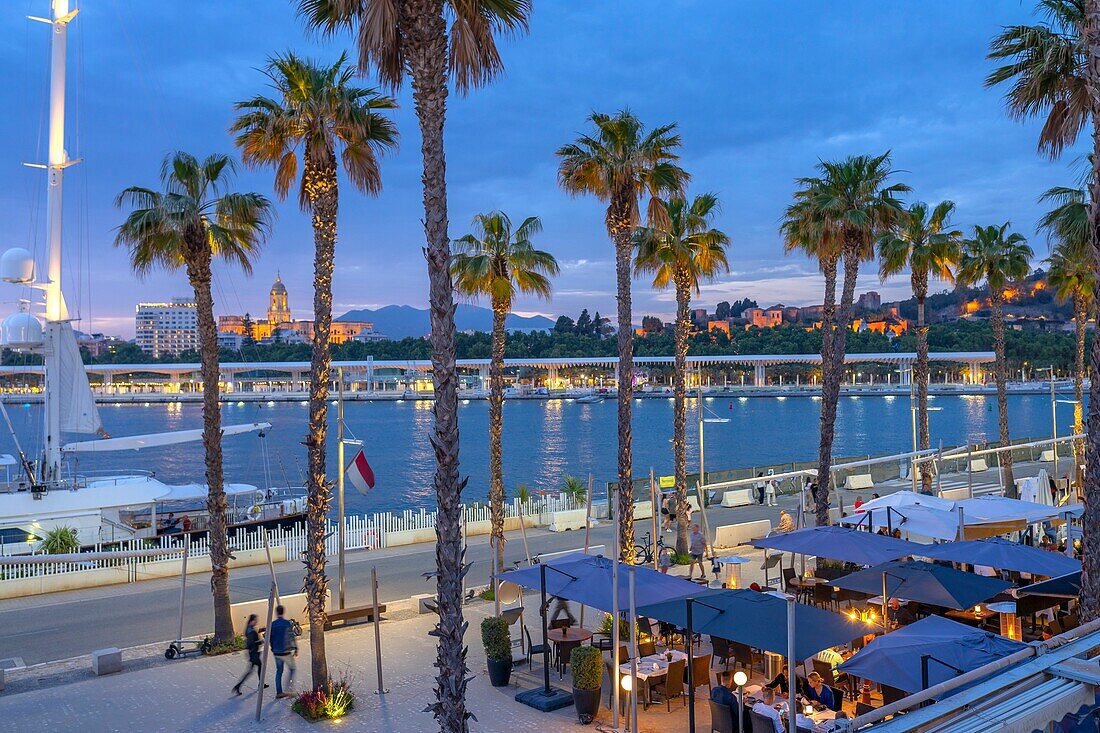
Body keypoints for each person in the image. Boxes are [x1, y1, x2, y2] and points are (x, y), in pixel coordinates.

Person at [231, 614, 267, 696]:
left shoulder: (249, 629)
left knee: (257, 668)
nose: (257, 621)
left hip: (252, 653)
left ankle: (260, 684)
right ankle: (259, 684)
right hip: (254, 653)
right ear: (252, 621)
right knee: (254, 669)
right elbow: (252, 643)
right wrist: (261, 641)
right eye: (255, 620)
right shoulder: (251, 631)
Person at [270, 605, 298, 699]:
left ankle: (279, 692)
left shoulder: (273, 624)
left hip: (276, 652)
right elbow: (292, 637)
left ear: (276, 613)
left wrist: (273, 648)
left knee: (279, 671)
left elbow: (270, 638)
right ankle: (289, 690)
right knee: (292, 669)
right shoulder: (287, 624)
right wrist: (295, 648)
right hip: (286, 651)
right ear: (283, 612)